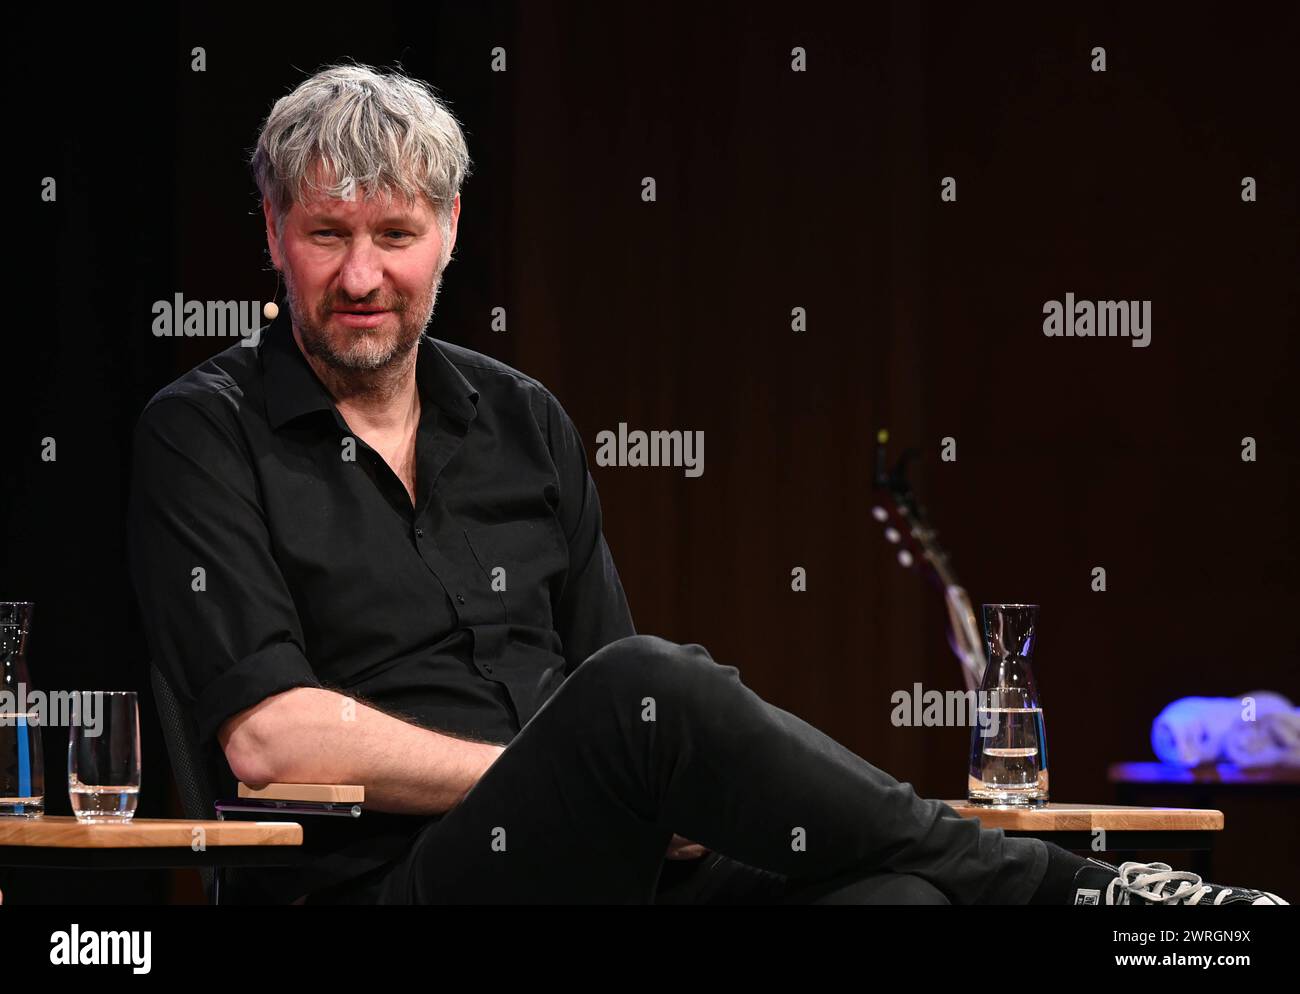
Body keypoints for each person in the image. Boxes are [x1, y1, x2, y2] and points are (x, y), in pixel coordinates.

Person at [127, 63, 1287, 907]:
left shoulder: (522, 420)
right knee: (647, 690)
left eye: (395, 232)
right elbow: (272, 742)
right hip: (387, 887)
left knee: (898, 905)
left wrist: (617, 785)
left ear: (450, 230)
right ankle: (1060, 890)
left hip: (604, 867)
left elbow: (604, 688)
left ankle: (1001, 884)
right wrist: (573, 778)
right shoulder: (201, 432)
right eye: (328, 235)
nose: (365, 274)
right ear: (274, 234)